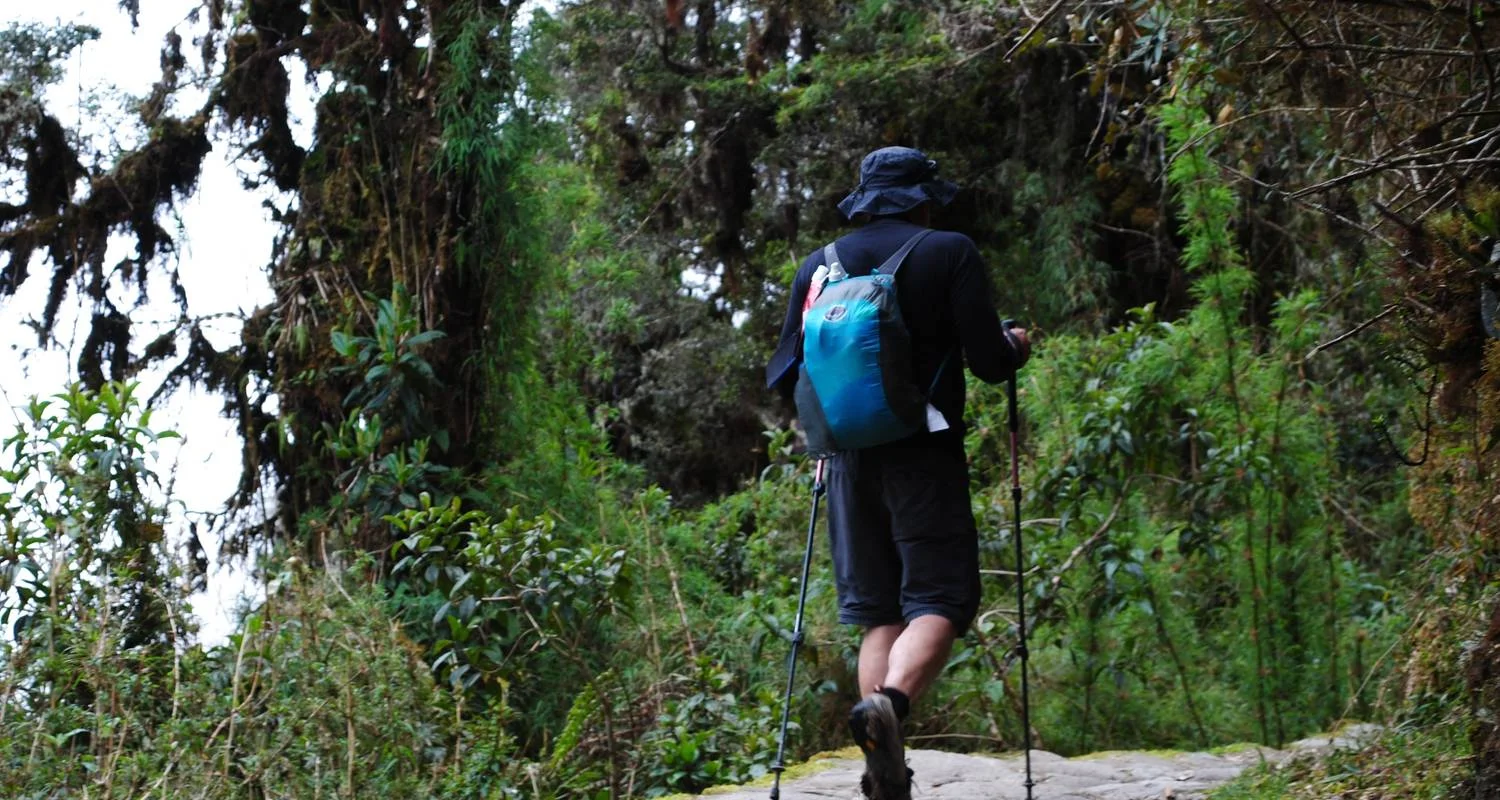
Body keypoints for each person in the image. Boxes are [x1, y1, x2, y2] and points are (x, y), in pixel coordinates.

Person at [765, 146, 1030, 799]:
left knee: (880, 613)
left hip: (845, 462)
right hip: (924, 453)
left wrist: (828, 439)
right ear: (922, 199)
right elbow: (989, 362)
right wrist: (1015, 344)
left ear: (865, 201)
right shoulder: (949, 251)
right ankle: (888, 706)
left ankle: (882, 768)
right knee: (940, 599)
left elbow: (788, 371)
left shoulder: (818, 265)